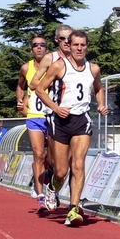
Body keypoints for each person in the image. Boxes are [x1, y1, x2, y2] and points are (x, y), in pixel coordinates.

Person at [35, 30, 109, 226]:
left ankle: (73, 209)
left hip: (82, 120)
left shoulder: (93, 69)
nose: (79, 48)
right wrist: (56, 108)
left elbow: (99, 87)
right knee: (61, 171)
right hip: (60, 121)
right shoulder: (59, 66)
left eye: (83, 45)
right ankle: (52, 186)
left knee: (78, 164)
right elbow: (40, 89)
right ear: (69, 45)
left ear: (87, 47)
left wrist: (100, 104)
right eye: (75, 45)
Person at [28, 24, 73, 206]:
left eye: (70, 39)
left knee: (64, 162)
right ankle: (43, 191)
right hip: (49, 114)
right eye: (63, 39)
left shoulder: (78, 60)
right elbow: (33, 84)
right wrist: (50, 84)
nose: (67, 42)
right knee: (44, 156)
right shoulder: (50, 58)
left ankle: (68, 198)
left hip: (71, 115)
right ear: (57, 40)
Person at [16, 36, 49, 209]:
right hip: (34, 116)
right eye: (35, 45)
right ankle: (40, 193)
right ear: (31, 49)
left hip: (52, 116)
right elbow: (20, 85)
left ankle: (47, 180)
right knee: (38, 154)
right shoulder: (26, 68)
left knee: (53, 158)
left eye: (42, 45)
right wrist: (20, 100)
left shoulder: (54, 66)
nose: (39, 47)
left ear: (47, 49)